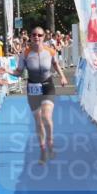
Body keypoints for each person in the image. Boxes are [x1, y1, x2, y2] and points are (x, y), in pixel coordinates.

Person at [15, 26, 68, 163]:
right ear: (31, 37)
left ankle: (50, 143)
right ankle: (43, 150)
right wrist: (6, 71)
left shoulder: (50, 51)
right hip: (32, 88)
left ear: (44, 37)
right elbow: (19, 72)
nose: (36, 37)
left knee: (46, 117)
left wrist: (62, 76)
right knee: (38, 122)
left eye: (39, 35)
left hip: (47, 86)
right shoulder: (25, 53)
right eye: (34, 35)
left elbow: (56, 64)